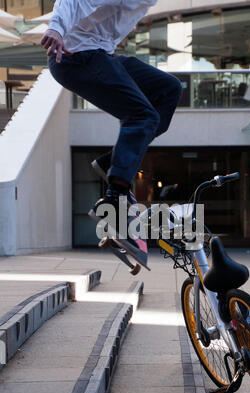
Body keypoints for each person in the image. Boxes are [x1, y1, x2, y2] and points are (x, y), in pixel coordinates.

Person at [41, 0, 183, 243]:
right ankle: (114, 198)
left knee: (169, 89)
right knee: (142, 115)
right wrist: (56, 27)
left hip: (101, 55)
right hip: (75, 56)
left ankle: (112, 163)